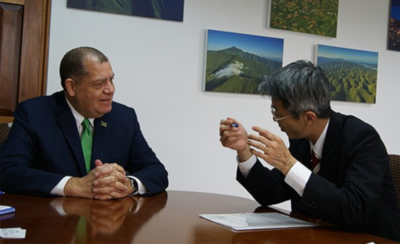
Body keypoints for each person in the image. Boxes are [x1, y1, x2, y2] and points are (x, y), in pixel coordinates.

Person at [219, 60, 400, 241]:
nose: (276, 120)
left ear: (308, 117)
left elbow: (354, 210)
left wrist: (289, 164)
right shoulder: (301, 140)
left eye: (278, 113)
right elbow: (269, 194)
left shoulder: (362, 138)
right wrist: (244, 151)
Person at [0, 47, 168, 200]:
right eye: (99, 83)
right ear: (71, 87)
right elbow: (6, 171)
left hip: (106, 225)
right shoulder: (34, 114)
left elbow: (157, 172)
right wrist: (74, 185)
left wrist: (127, 185)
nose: (110, 89)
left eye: (111, 80)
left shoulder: (124, 117)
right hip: (53, 222)